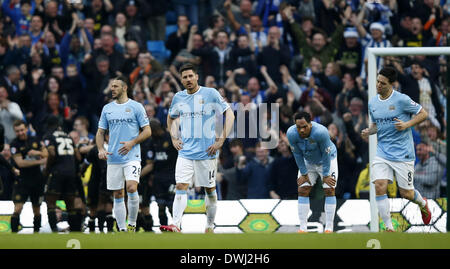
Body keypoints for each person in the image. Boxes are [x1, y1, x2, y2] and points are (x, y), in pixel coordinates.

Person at [160, 63, 235, 233]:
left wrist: (221, 140)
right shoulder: (178, 97)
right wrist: (174, 138)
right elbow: (171, 119)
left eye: (190, 76)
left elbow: (229, 113)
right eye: (184, 77)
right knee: (181, 186)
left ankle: (209, 225)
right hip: (185, 152)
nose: (188, 79)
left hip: (207, 152)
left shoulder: (210, 93)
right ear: (181, 79)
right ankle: (176, 224)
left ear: (196, 77)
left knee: (210, 189)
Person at [361, 67, 431, 232]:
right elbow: (377, 124)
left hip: (403, 154)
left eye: (382, 83)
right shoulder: (372, 102)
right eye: (377, 81)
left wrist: (406, 124)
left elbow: (423, 114)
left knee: (406, 193)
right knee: (379, 185)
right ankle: (388, 227)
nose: (378, 85)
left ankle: (423, 204)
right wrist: (369, 131)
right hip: (382, 152)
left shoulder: (402, 100)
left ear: (392, 84)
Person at [96, 76, 151, 232]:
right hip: (113, 157)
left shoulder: (136, 107)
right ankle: (121, 228)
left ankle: (132, 223)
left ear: (125, 88)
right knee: (118, 193)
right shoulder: (107, 108)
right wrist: (101, 149)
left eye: (115, 86)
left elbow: (147, 131)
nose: (112, 89)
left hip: (132, 156)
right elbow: (100, 132)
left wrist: (132, 143)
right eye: (111, 86)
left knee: (132, 187)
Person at [286, 111, 338, 233]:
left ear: (311, 124)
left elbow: (326, 154)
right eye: (299, 127)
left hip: (328, 160)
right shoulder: (291, 133)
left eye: (304, 126)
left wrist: (325, 175)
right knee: (302, 189)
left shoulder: (321, 132)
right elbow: (297, 154)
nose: (302, 130)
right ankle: (303, 228)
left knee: (329, 189)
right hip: (308, 162)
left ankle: (329, 228)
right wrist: (304, 173)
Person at [43, 115, 83, 232]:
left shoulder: (49, 136)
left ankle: (54, 229)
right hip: (71, 172)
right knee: (70, 204)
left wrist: (47, 169)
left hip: (57, 172)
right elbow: (78, 157)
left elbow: (52, 153)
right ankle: (75, 230)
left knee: (50, 201)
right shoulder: (68, 137)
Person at [9, 120, 47, 233]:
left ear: (26, 129)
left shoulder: (35, 140)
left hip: (37, 180)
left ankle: (36, 233)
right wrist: (39, 162)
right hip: (22, 181)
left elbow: (46, 154)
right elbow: (20, 163)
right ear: (15, 132)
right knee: (17, 208)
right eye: (17, 131)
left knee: (37, 209)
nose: (20, 133)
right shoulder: (14, 144)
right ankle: (14, 233)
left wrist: (36, 153)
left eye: (22, 130)